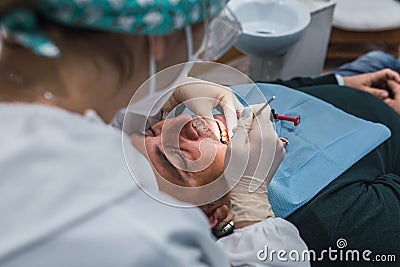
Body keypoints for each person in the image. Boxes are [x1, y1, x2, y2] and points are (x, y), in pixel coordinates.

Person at [0, 0, 248, 266]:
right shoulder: (148, 238)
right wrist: (256, 216)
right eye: (169, 158)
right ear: (156, 36)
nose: (189, 123)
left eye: (152, 133)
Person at [128, 67, 400, 267]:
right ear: (216, 217)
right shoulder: (332, 222)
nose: (180, 123)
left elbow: (269, 89)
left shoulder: (203, 110)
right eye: (179, 157)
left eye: (151, 131)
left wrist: (338, 81)